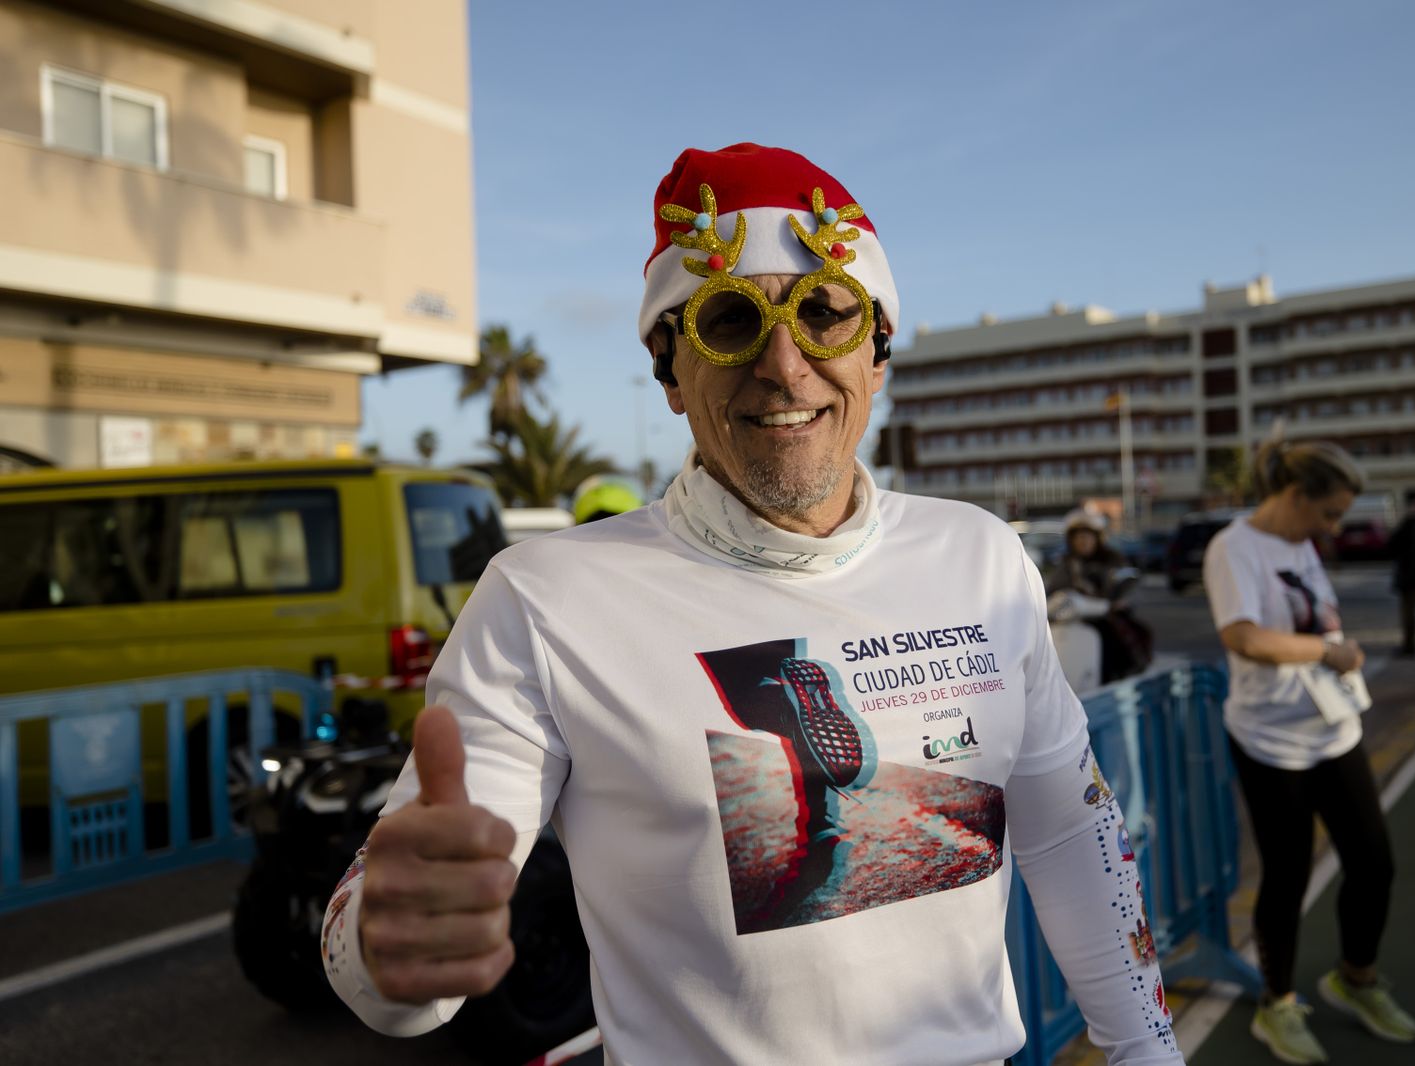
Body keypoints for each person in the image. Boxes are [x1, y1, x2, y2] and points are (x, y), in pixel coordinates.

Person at [319, 143, 1184, 1065]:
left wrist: (1149, 1052)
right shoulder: (544, 600)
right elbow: (391, 957)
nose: (784, 363)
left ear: (878, 352)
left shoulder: (982, 555)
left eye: (825, 314)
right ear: (669, 372)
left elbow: (1067, 830)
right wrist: (391, 945)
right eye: (731, 319)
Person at [1203, 438, 1415, 1065]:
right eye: (1328, 514)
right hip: (1270, 741)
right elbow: (1243, 636)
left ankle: (1355, 979)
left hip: (1333, 729)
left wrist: (1331, 655)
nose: (1332, 528)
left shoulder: (1299, 542)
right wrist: (1329, 652)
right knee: (1288, 874)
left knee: (1374, 863)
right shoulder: (1232, 548)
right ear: (1296, 495)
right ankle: (1278, 1003)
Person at [1046, 508, 1152, 683]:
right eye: (1078, 537)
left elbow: (1129, 585)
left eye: (1087, 537)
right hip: (1072, 620)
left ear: (1097, 538)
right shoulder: (1066, 564)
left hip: (1105, 619)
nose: (1083, 542)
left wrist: (1120, 602)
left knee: (1117, 646)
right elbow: (1052, 591)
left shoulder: (1112, 561)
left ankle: (1115, 681)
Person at [1385, 496, 1415, 658]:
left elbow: (1391, 546)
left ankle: (1411, 645)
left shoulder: (1410, 524)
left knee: (1410, 614)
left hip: (1412, 577)